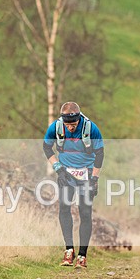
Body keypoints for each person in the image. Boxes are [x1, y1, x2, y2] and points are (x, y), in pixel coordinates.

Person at [43, 101, 105, 268]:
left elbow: (99, 154)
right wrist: (58, 169)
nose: (70, 127)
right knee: (64, 208)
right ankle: (69, 250)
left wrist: (94, 179)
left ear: (79, 120)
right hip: (66, 175)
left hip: (86, 174)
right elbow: (47, 147)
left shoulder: (91, 129)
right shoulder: (56, 127)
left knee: (84, 212)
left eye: (73, 124)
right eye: (67, 124)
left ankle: (82, 256)